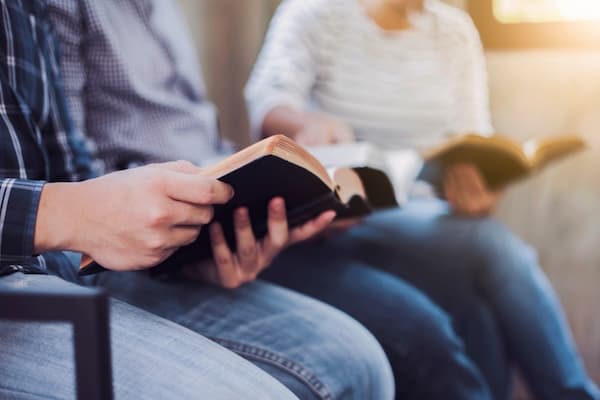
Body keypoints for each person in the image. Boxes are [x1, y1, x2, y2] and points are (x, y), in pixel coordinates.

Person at [45, 0, 503, 399]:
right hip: (159, 229)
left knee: (470, 302)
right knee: (442, 300)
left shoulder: (161, 9)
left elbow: (194, 135)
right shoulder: (61, 9)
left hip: (229, 209)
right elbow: (72, 175)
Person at [0, 1, 396, 399]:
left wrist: (181, 253)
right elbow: (79, 197)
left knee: (359, 365)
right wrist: (64, 213)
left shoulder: (30, 11)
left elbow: (69, 170)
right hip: (20, 282)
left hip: (66, 263)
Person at [246, 0, 600, 399]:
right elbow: (268, 104)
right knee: (488, 245)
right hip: (352, 213)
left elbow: (473, 136)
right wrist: (307, 124)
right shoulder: (314, 13)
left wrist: (480, 186)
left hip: (431, 216)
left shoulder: (454, 31)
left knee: (475, 300)